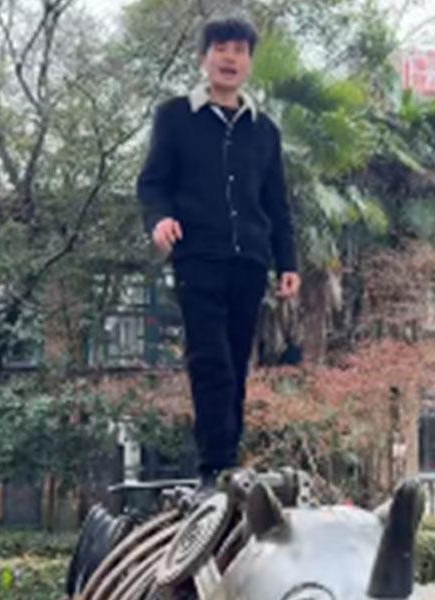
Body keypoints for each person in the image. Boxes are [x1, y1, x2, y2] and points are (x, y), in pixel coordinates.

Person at [137, 15, 300, 493]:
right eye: (221, 48)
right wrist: (159, 221)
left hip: (249, 260)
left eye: (239, 50)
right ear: (203, 57)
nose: (230, 58)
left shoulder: (265, 130)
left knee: (236, 360)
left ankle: (227, 460)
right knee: (210, 359)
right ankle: (216, 464)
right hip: (198, 256)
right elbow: (152, 183)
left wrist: (287, 262)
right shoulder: (174, 116)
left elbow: (277, 203)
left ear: (250, 61)